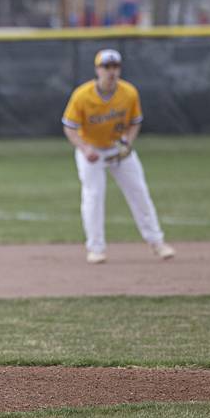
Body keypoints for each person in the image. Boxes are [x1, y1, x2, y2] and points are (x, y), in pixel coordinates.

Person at [61, 49, 176, 264]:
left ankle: (157, 243)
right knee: (93, 197)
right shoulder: (82, 95)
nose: (111, 71)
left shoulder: (129, 93)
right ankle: (96, 248)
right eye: (106, 67)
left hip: (118, 150)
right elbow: (69, 127)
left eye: (115, 66)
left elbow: (135, 121)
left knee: (139, 193)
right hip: (92, 151)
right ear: (97, 70)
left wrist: (127, 143)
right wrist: (85, 149)